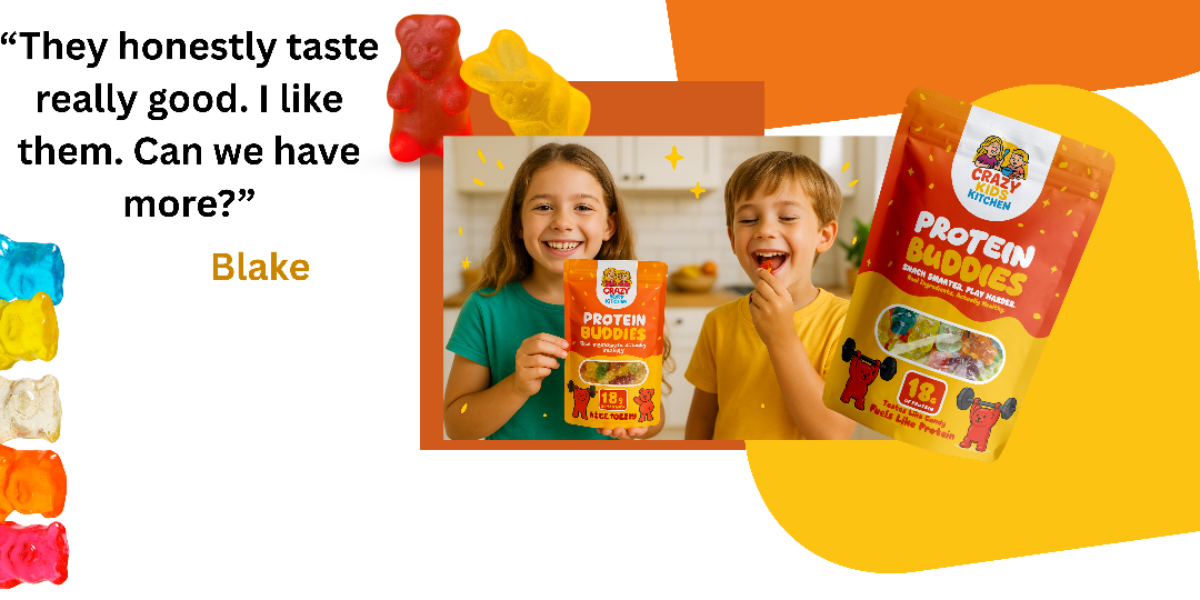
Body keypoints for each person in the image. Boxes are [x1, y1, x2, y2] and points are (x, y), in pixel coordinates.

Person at [444, 143, 664, 440]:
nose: (562, 222)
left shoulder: (632, 306)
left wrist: (640, 423)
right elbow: (457, 427)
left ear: (609, 225)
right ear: (518, 224)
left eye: (583, 207)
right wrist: (516, 386)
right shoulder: (486, 308)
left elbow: (656, 416)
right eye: (543, 206)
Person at [684, 151, 855, 440]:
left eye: (787, 217)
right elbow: (701, 422)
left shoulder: (847, 324)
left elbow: (832, 434)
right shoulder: (718, 323)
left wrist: (781, 338)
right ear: (732, 239)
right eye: (749, 219)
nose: (764, 229)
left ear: (823, 236)